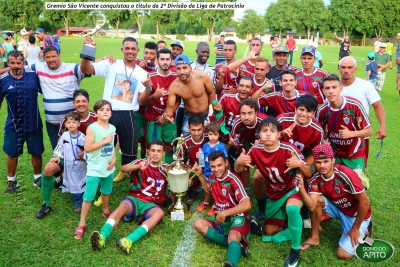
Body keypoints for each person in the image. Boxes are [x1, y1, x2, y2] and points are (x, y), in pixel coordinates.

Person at [235, 117, 311, 267]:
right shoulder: (255, 150)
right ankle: (295, 224)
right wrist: (238, 162)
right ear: (259, 134)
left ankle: (295, 251)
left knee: (292, 208)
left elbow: (308, 173)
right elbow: (239, 170)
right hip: (275, 193)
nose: (268, 134)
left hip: (292, 188)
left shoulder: (289, 149)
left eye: (272, 131)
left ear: (278, 134)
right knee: (270, 231)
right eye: (264, 131)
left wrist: (299, 164)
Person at [80, 37, 148, 173]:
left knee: (130, 149)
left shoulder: (142, 73)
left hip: (128, 114)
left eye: (133, 48)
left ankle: (129, 176)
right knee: (102, 146)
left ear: (137, 51)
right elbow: (86, 69)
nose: (130, 51)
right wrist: (88, 50)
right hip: (108, 113)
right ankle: (100, 175)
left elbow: (141, 101)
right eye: (127, 48)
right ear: (122, 50)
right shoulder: (111, 64)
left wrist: (149, 90)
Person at [89, 140, 169, 254]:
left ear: (164, 153)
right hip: (135, 199)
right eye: (153, 150)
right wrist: (137, 167)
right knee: (121, 207)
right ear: (148, 151)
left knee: (160, 213)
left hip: (152, 204)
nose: (155, 154)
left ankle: (128, 240)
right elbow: (123, 168)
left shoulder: (167, 168)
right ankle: (102, 236)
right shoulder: (141, 161)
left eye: (159, 151)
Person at [297, 144, 372, 261]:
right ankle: (314, 237)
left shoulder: (346, 174)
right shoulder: (315, 178)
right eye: (318, 162)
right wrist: (301, 187)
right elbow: (311, 206)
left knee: (343, 255)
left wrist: (355, 228)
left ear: (333, 160)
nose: (322, 166)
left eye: (326, 161)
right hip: (339, 208)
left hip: (355, 214)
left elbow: (365, 201)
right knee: (317, 201)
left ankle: (363, 229)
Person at [193, 151, 251, 267]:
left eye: (219, 165)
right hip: (220, 219)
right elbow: (208, 190)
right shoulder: (212, 177)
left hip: (237, 218)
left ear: (226, 162)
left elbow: (247, 204)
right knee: (198, 224)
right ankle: (237, 247)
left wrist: (225, 213)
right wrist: (200, 175)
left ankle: (231, 263)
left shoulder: (233, 179)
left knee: (233, 235)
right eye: (213, 166)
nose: (216, 169)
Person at [0, 50, 43, 193]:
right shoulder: (3, 80)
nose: (16, 65)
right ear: (8, 63)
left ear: (24, 63)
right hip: (13, 125)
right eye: (12, 62)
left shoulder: (33, 76)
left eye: (19, 62)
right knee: (12, 153)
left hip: (34, 123)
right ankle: (11, 181)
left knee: (36, 152)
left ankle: (38, 178)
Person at [74, 99, 116, 240]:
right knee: (89, 196)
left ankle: (105, 210)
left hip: (108, 167)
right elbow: (88, 148)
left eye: (108, 109)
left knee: (106, 191)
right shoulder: (92, 128)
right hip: (94, 169)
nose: (105, 112)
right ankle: (82, 223)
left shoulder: (112, 128)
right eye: (102, 109)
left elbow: (112, 147)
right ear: (96, 112)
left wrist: (114, 158)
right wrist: (104, 140)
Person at [316, 74, 372, 173]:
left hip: (353, 154)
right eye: (327, 88)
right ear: (323, 90)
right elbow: (318, 132)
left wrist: (351, 134)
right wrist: (323, 140)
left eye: (334, 87)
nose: (331, 91)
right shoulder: (322, 110)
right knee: (335, 185)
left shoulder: (354, 105)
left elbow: (369, 131)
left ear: (341, 88)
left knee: (357, 185)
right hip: (333, 155)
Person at [339, 56, 386, 169]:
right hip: (337, 138)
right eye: (343, 67)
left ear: (355, 69)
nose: (346, 70)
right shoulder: (333, 87)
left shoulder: (365, 86)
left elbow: (377, 105)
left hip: (360, 137)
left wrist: (382, 126)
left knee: (357, 174)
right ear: (339, 68)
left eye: (350, 67)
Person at [44, 112, 86, 213]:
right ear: (66, 124)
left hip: (80, 165)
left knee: (80, 181)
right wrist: (58, 156)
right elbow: (60, 147)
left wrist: (84, 156)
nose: (71, 124)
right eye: (69, 122)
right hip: (69, 165)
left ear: (79, 124)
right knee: (73, 181)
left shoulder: (82, 138)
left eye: (74, 122)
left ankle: (80, 202)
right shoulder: (65, 136)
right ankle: (77, 202)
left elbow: (88, 150)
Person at [163, 54, 215, 136]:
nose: (182, 72)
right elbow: (170, 107)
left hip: (206, 113)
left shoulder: (202, 76)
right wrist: (166, 115)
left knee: (207, 140)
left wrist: (211, 114)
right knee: (185, 141)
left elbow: (211, 93)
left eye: (184, 68)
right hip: (189, 116)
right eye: (178, 69)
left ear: (190, 67)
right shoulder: (174, 87)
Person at [144, 48, 178, 164]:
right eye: (162, 59)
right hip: (153, 118)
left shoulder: (176, 77)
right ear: (157, 60)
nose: (165, 62)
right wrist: (155, 95)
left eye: (167, 59)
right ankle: (148, 172)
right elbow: (144, 102)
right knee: (152, 149)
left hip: (170, 118)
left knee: (169, 147)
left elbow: (179, 99)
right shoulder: (150, 77)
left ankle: (167, 172)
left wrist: (166, 115)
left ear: (171, 60)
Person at [230, 99, 267, 188]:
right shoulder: (236, 123)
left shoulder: (265, 121)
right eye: (243, 113)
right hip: (248, 142)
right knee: (244, 162)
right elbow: (235, 139)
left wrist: (263, 142)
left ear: (256, 113)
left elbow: (273, 139)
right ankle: (246, 189)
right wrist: (236, 143)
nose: (246, 117)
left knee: (264, 165)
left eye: (250, 113)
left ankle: (268, 185)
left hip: (263, 145)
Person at [277, 94, 323, 165]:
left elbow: (315, 153)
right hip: (279, 155)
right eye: (301, 109)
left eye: (308, 111)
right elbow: (268, 139)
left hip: (300, 158)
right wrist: (282, 133)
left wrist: (303, 167)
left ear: (314, 113)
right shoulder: (282, 119)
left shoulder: (317, 130)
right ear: (295, 109)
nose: (304, 114)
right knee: (257, 176)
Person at [196, 121, 228, 215]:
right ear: (207, 134)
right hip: (207, 172)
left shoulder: (221, 146)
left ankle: (216, 205)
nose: (213, 137)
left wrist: (225, 170)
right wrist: (199, 156)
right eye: (210, 134)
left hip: (217, 173)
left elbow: (226, 159)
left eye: (215, 134)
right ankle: (205, 203)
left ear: (219, 135)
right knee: (207, 188)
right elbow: (202, 159)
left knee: (216, 189)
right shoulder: (205, 146)